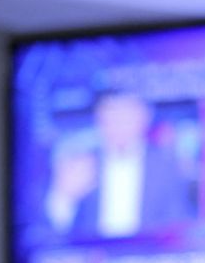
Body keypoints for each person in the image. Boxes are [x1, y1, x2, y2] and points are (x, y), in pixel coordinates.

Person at [44, 91, 195, 238]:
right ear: (99, 117)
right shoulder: (81, 162)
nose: (118, 121)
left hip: (149, 257)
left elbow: (179, 227)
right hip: (91, 258)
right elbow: (55, 227)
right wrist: (63, 196)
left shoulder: (167, 166)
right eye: (110, 111)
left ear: (145, 116)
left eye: (126, 112)